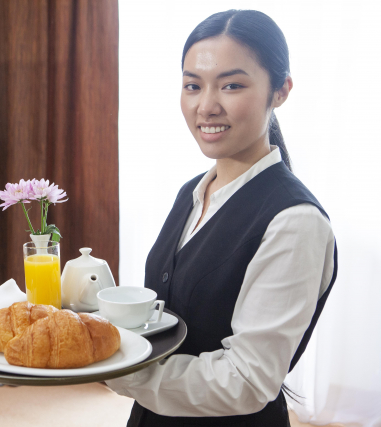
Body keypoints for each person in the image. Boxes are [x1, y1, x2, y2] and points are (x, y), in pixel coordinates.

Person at [105, 9, 338, 427]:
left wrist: (119, 369)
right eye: (192, 85)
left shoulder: (295, 222)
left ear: (281, 90)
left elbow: (247, 380)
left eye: (232, 85)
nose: (206, 106)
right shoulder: (193, 192)